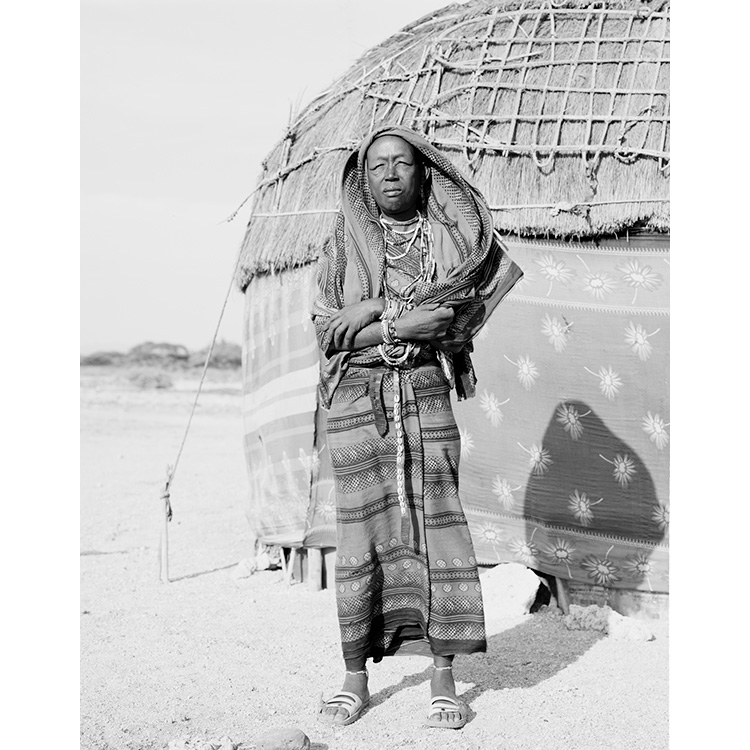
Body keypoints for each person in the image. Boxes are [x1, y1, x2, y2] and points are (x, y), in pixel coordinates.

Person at [312, 125, 522, 729]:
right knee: (362, 533)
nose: (389, 173)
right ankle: (355, 676)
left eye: (401, 162)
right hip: (357, 404)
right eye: (377, 164)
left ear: (422, 171)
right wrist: (397, 318)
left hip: (426, 396)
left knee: (439, 526)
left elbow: (450, 320)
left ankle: (443, 676)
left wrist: (376, 313)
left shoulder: (451, 244)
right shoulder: (340, 247)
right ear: (362, 176)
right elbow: (328, 332)